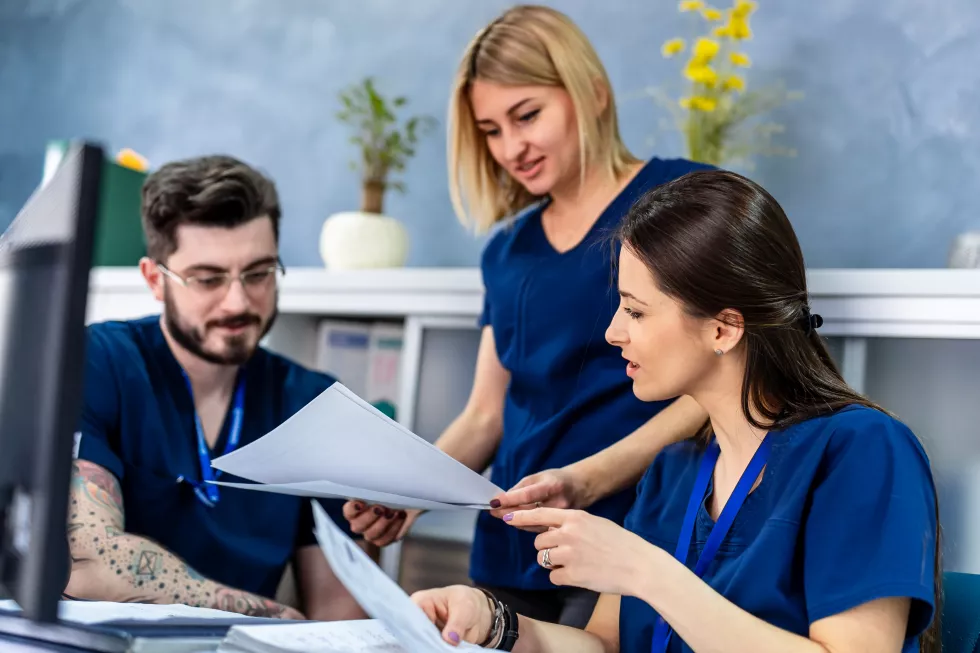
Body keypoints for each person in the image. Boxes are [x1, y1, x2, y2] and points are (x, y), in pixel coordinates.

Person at [410, 169, 941, 653]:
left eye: (636, 311)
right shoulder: (673, 472)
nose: (613, 333)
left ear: (723, 328)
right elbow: (603, 646)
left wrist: (646, 573)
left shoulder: (862, 451)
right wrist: (496, 622)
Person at [344, 4, 712, 627]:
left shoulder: (683, 202)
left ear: (592, 94)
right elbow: (486, 413)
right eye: (490, 130)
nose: (511, 147)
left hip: (637, 539)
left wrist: (588, 481)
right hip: (511, 549)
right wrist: (413, 491)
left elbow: (721, 382)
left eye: (527, 116)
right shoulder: (507, 251)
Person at [64, 155, 367, 621]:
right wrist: (271, 616)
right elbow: (88, 565)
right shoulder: (97, 362)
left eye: (259, 273)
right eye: (208, 279)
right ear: (154, 280)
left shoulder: (313, 404)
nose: (239, 301)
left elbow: (337, 613)